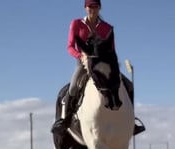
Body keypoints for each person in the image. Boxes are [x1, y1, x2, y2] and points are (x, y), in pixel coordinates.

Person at [51, 0, 145, 135]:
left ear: (99, 8)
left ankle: (131, 121)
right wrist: (81, 56)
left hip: (104, 65)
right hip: (83, 64)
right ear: (85, 8)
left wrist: (113, 66)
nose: (92, 9)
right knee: (72, 88)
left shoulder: (107, 28)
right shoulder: (76, 24)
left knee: (128, 85)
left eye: (95, 6)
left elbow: (112, 50)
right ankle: (65, 120)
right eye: (90, 6)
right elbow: (70, 46)